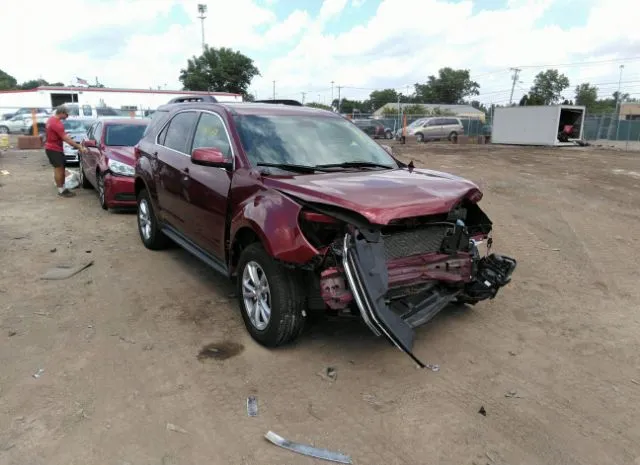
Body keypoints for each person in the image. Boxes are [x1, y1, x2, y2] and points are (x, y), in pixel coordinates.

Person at [44, 105, 87, 197]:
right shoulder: (57, 123)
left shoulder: (51, 120)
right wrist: (79, 146)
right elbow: (66, 139)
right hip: (54, 149)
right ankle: (61, 191)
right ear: (62, 113)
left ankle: (62, 188)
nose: (67, 117)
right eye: (67, 114)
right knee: (59, 169)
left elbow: (59, 136)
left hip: (53, 148)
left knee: (61, 169)